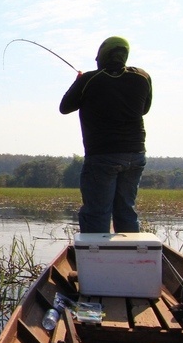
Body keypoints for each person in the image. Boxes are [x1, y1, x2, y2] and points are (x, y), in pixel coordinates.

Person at [60, 36, 152, 233]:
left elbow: (65, 107)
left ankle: (95, 261)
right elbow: (144, 109)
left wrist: (79, 83)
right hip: (136, 155)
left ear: (103, 55)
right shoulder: (143, 77)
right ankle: (132, 260)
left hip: (102, 156)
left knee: (97, 213)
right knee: (126, 210)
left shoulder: (89, 80)